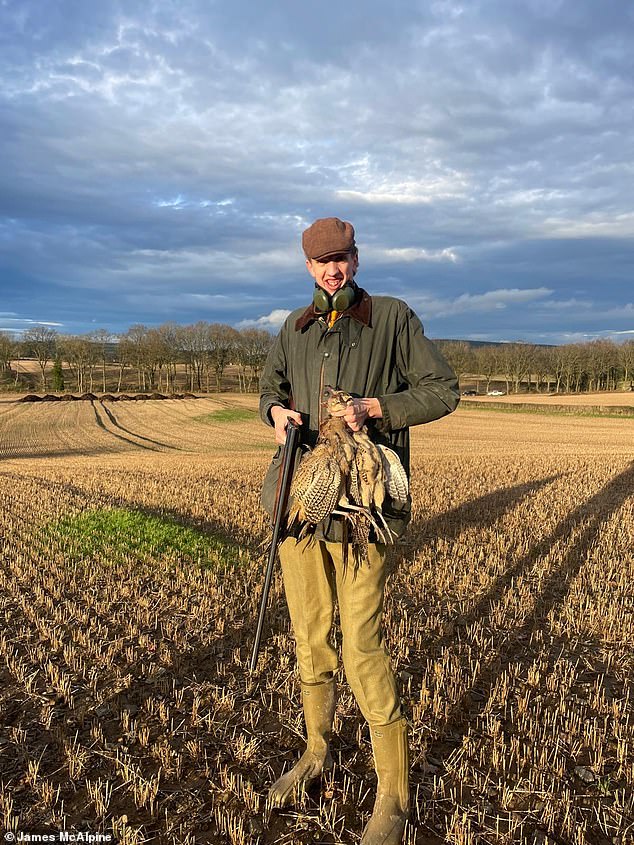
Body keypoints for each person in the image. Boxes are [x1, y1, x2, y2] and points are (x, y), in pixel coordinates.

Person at [259, 217, 459, 844]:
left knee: (361, 647)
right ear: (308, 267)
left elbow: (443, 390)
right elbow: (268, 388)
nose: (332, 271)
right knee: (310, 639)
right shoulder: (294, 328)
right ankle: (317, 752)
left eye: (340, 258)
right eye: (320, 263)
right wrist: (275, 412)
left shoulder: (393, 319)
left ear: (355, 256)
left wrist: (375, 408)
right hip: (302, 509)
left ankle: (392, 796)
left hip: (363, 514)